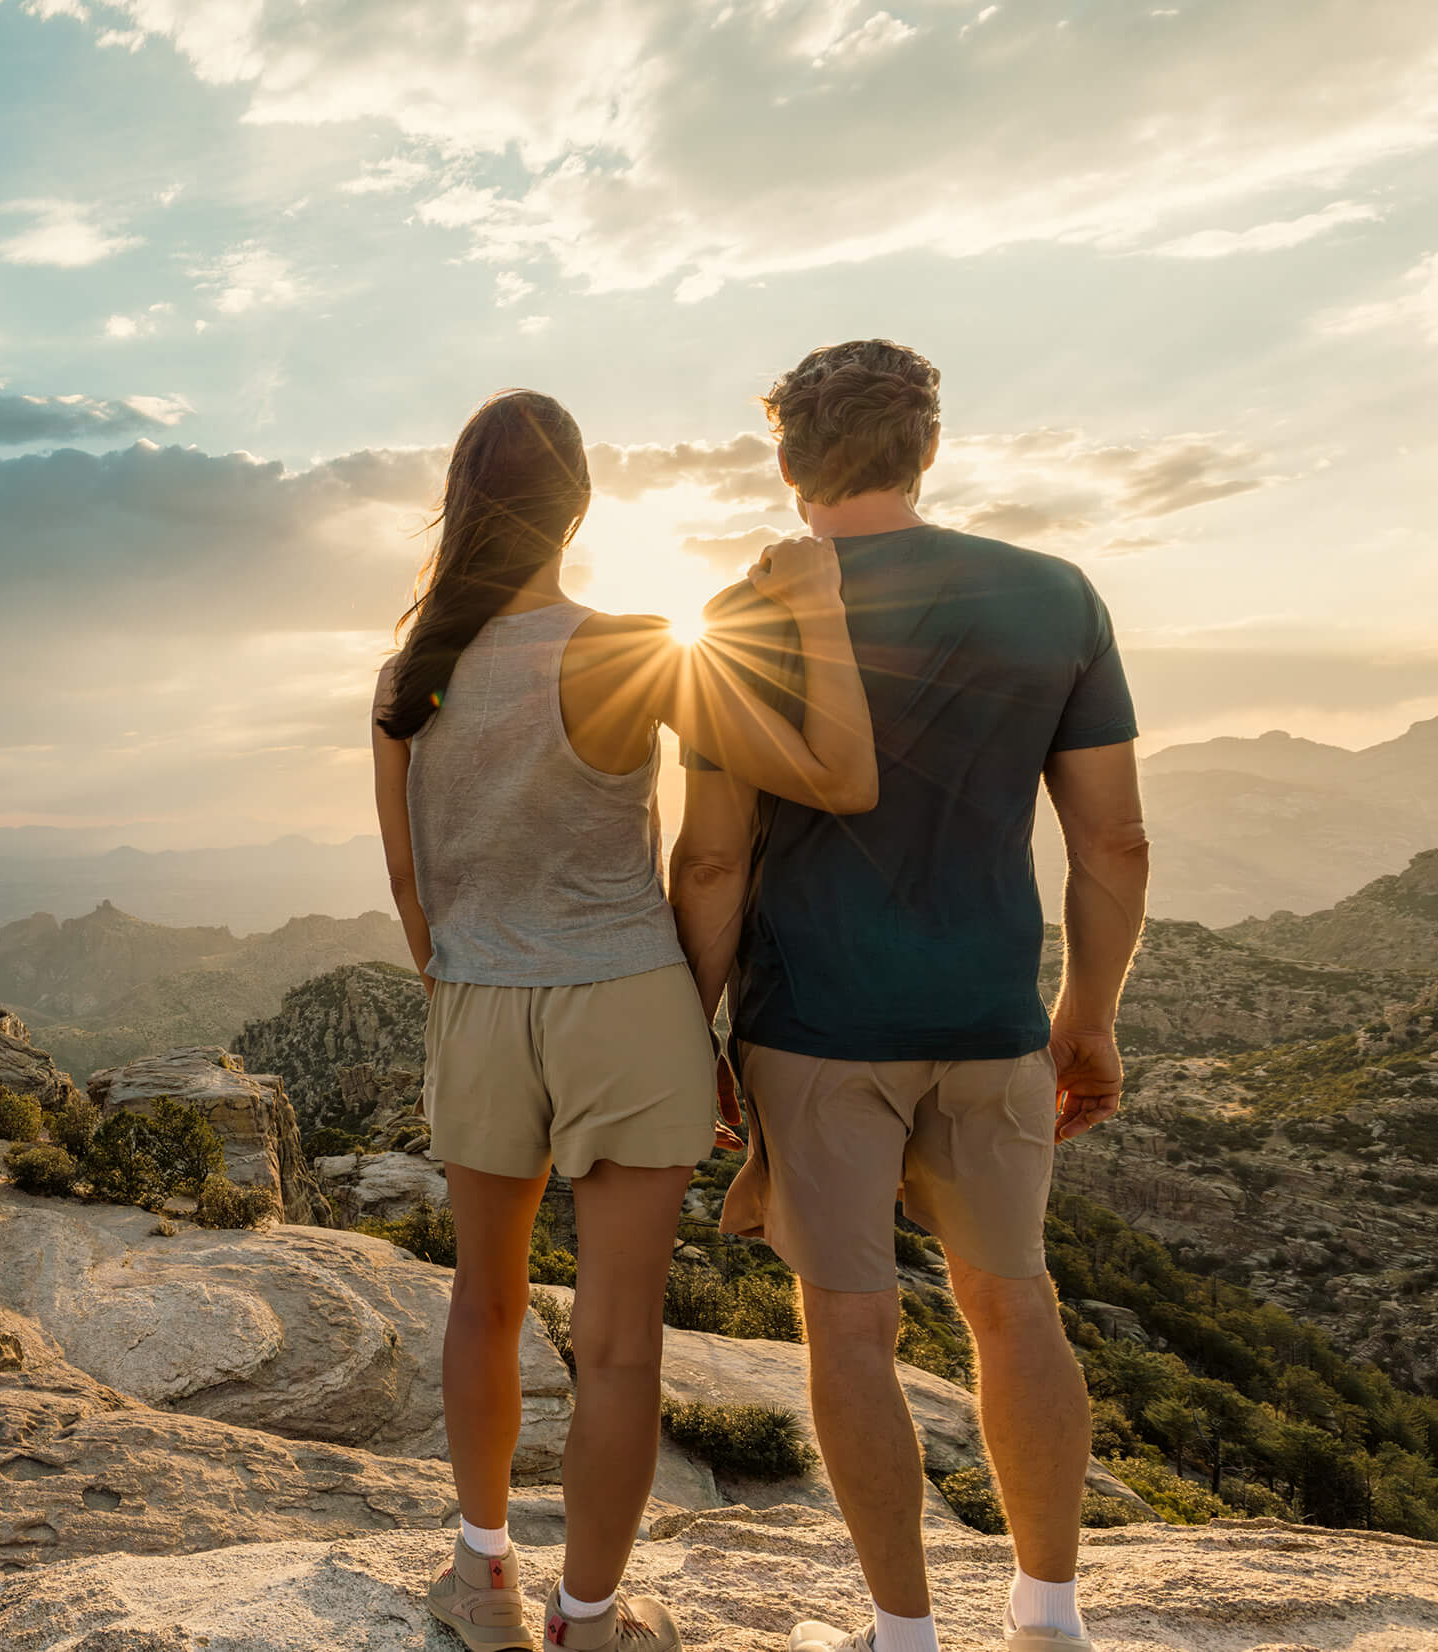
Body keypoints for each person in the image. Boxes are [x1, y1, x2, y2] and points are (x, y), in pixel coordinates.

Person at [374, 389, 881, 1652]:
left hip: (477, 1000)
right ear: (581, 505)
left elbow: (408, 888)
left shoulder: (409, 677)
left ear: (457, 502)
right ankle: (587, 1618)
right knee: (617, 1341)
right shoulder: (628, 646)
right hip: (630, 1002)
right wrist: (687, 1022)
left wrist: (468, 994)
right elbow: (796, 804)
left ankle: (482, 1579)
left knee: (485, 1304)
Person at [668, 340, 1150, 1652]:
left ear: (786, 461)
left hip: (811, 1027)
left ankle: (903, 1635)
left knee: (849, 1324)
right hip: (993, 1019)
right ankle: (1048, 1618)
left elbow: (712, 857)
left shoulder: (741, 616)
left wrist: (690, 1033)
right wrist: (1087, 1013)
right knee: (1015, 1305)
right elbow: (1112, 843)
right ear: (925, 448)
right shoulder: (1055, 596)